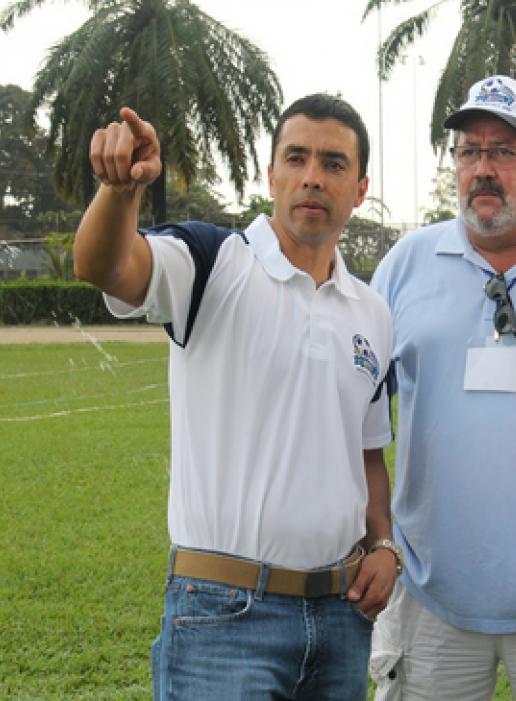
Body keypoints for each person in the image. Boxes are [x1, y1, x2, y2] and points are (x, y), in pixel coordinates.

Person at [73, 94, 402, 700]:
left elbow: (368, 452)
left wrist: (383, 543)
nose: (312, 176)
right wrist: (120, 191)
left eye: (333, 164)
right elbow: (104, 265)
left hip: (340, 617)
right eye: (296, 158)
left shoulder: (374, 314)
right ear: (268, 173)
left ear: (359, 189)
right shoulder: (212, 262)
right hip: (224, 615)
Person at [368, 75, 516, 701]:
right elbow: (354, 416)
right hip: (430, 593)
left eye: (506, 151)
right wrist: (375, 536)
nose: (483, 169)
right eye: (470, 152)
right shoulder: (407, 265)